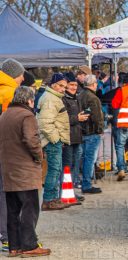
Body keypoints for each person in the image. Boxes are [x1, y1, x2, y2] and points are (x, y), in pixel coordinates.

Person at [0, 86, 51, 257]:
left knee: (12, 210)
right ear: (29, 100)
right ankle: (29, 246)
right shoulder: (27, 115)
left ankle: (14, 247)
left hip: (8, 169)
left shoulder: (4, 115)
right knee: (30, 209)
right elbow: (31, 140)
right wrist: (39, 156)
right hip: (25, 171)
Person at [0, 58, 25, 251]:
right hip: (5, 149)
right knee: (6, 192)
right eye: (21, 74)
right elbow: (12, 124)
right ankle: (7, 236)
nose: (23, 78)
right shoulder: (9, 93)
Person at [37, 73, 70, 210]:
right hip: (52, 141)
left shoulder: (53, 97)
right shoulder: (50, 99)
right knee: (54, 170)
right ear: (53, 85)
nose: (63, 89)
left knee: (56, 170)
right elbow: (45, 124)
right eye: (61, 86)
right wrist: (56, 139)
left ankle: (53, 198)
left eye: (65, 86)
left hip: (54, 140)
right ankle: (49, 200)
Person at [62, 72, 89, 191]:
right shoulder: (63, 99)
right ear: (66, 85)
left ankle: (71, 191)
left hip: (77, 137)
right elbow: (61, 119)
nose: (74, 87)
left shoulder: (76, 98)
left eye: (75, 85)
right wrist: (77, 118)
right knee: (67, 167)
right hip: (67, 138)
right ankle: (66, 192)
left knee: (75, 166)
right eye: (71, 84)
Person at [79, 75, 104, 194]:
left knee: (82, 159)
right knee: (89, 160)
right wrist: (100, 130)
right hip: (92, 132)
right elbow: (97, 117)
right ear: (94, 84)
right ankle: (87, 184)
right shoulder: (93, 98)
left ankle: (81, 182)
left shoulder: (80, 95)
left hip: (81, 132)